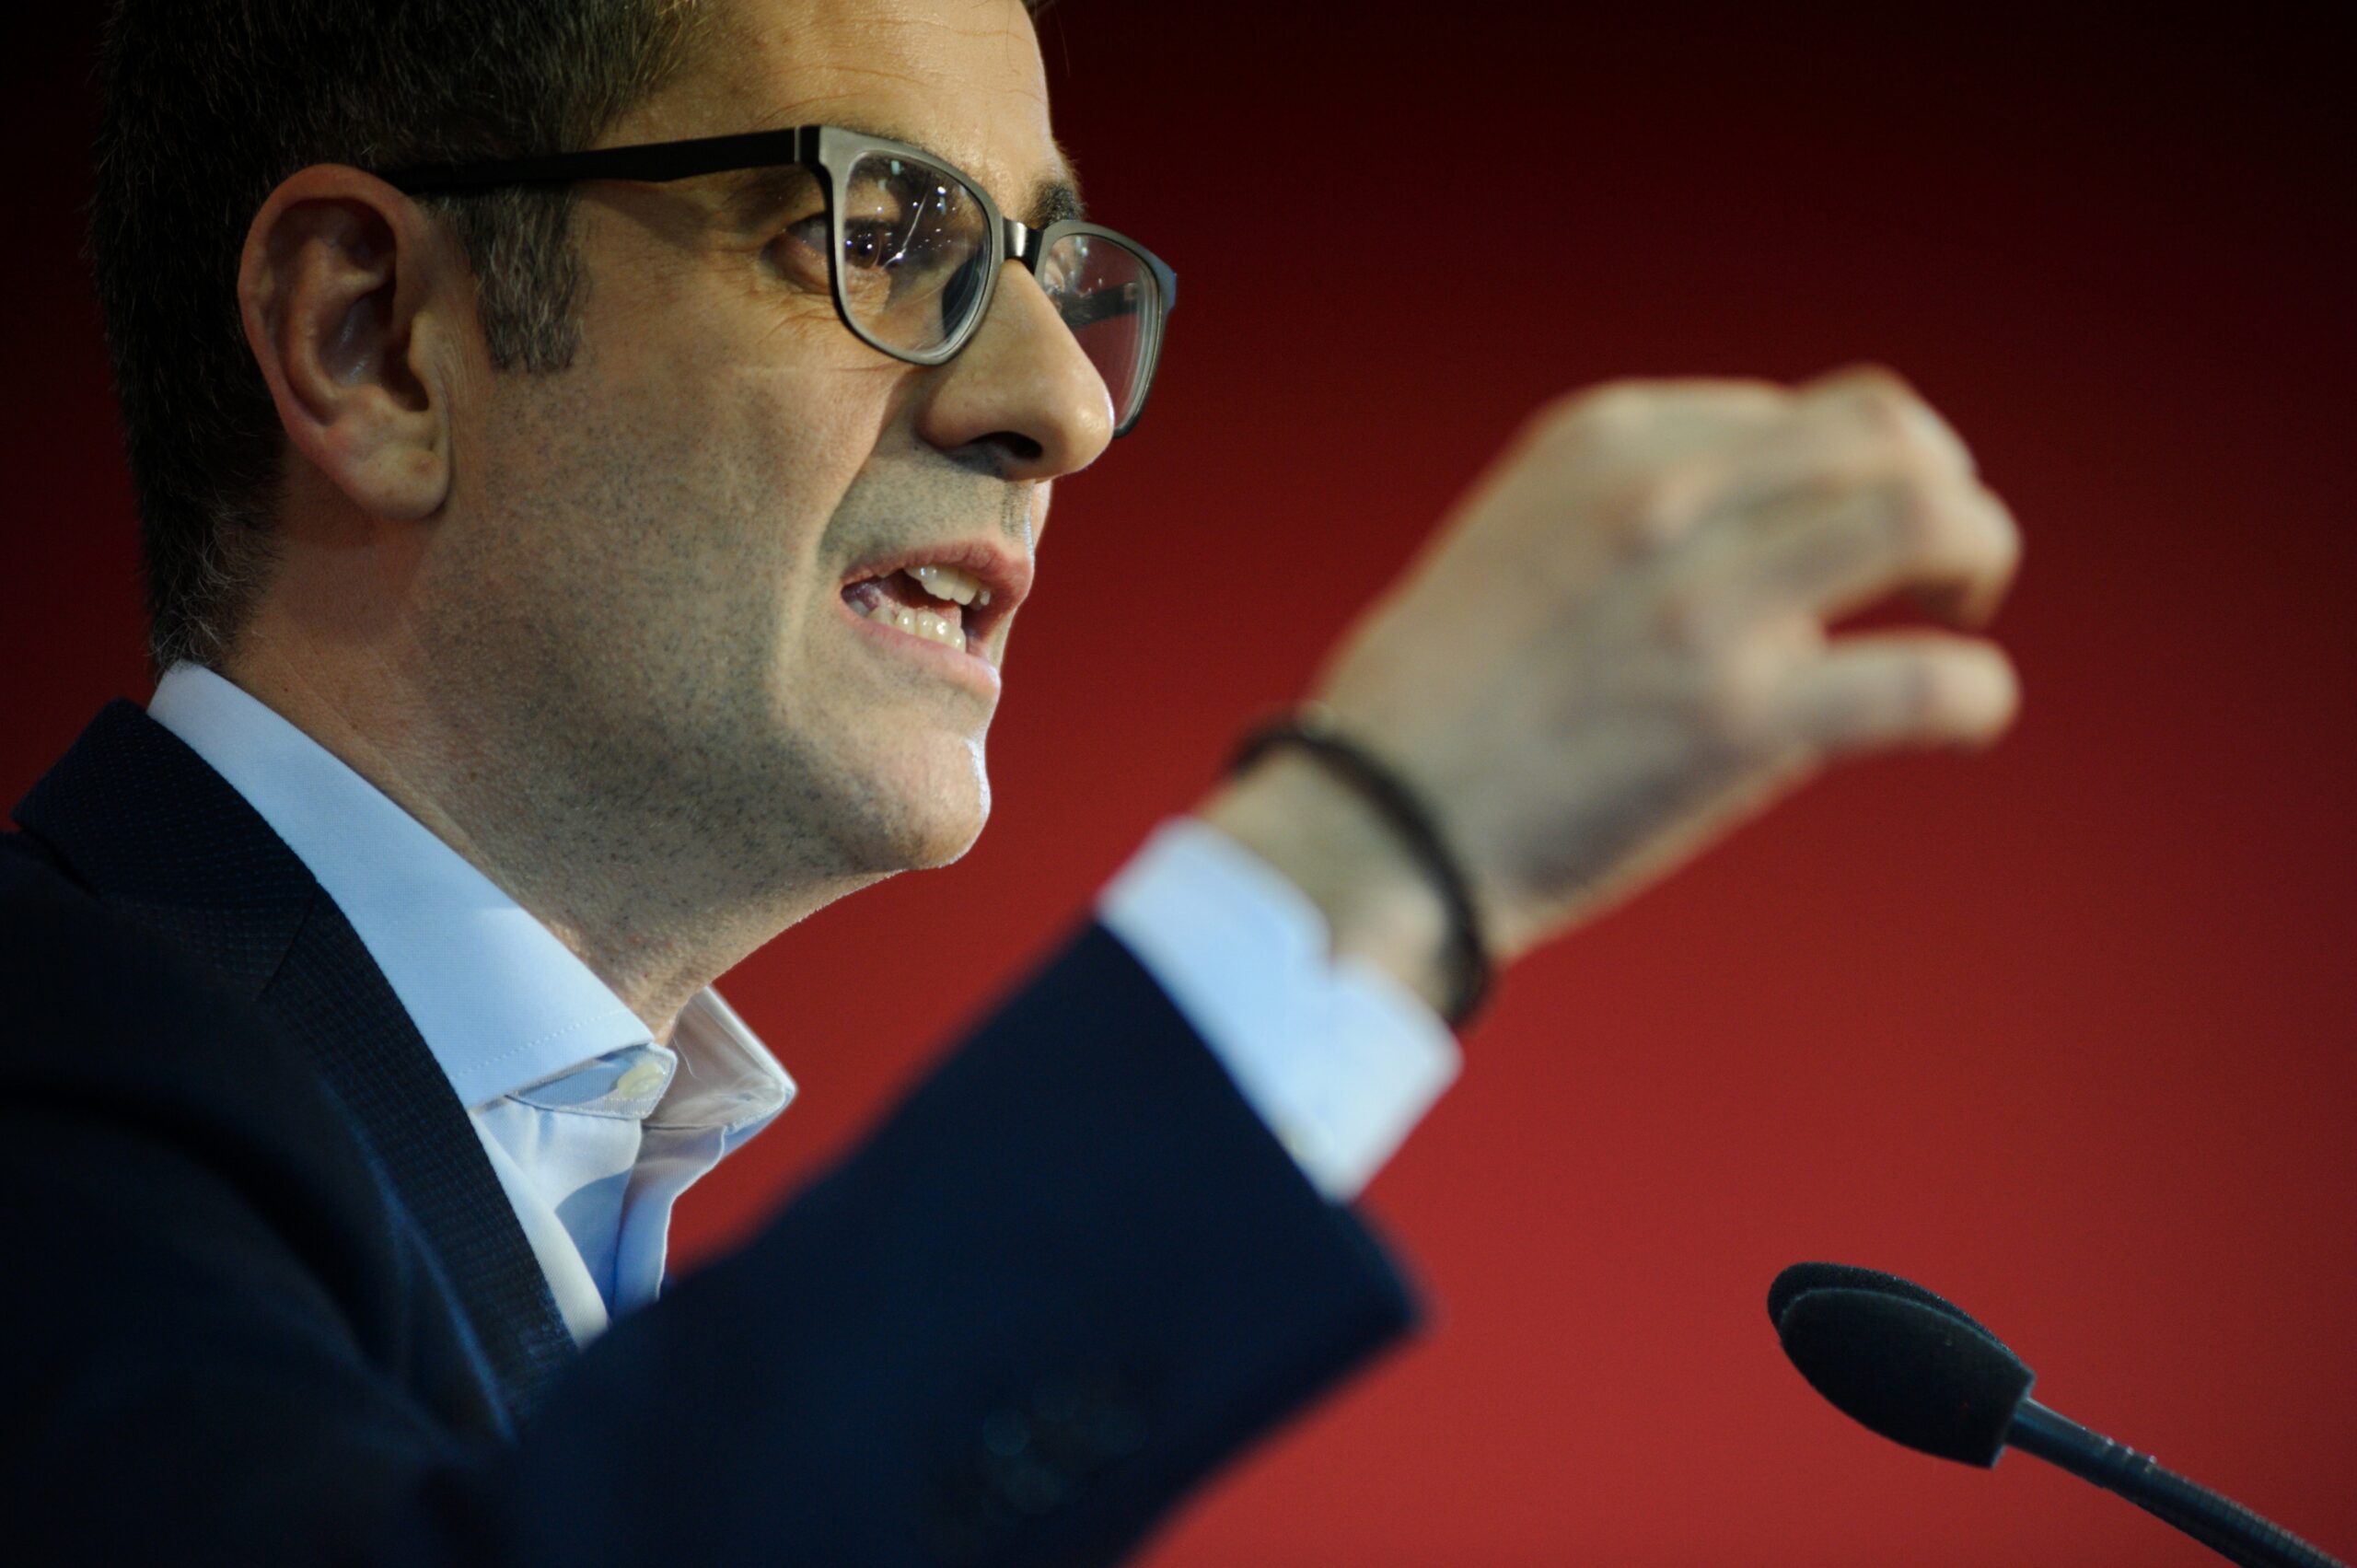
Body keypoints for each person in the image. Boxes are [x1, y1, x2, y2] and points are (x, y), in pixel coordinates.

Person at [0, 0, 2023, 1562]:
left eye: (1055, 262)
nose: (1060, 402)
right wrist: (1374, 853)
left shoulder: (525, 1182)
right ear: (374, 342)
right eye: (886, 230)